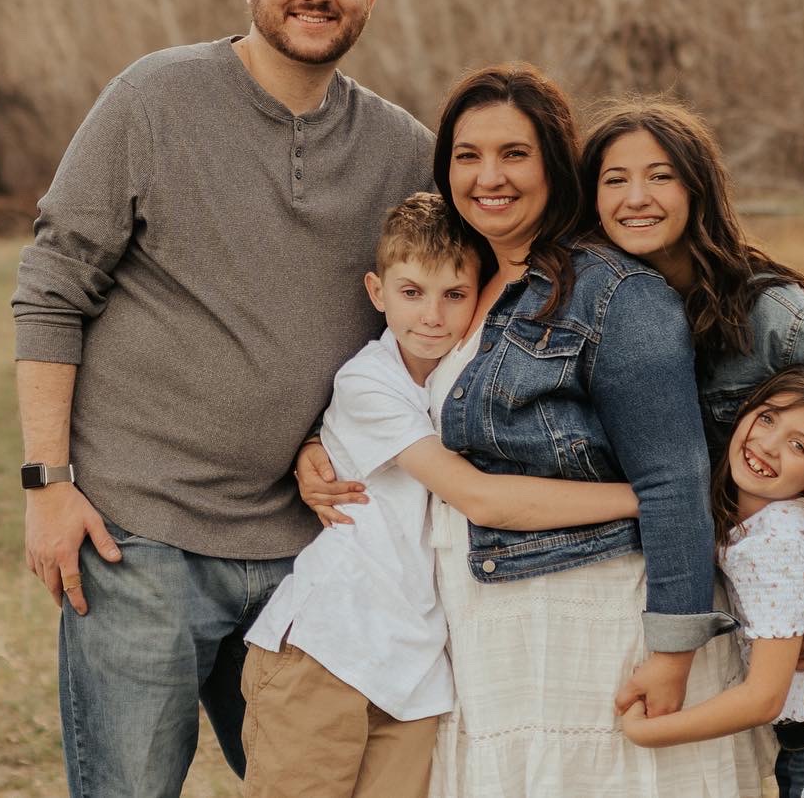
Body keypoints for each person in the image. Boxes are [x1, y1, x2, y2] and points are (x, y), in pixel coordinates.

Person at [10, 0, 435, 797]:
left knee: (316, 787)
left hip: (308, 546)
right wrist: (47, 485)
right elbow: (51, 287)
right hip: (139, 535)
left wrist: (325, 436)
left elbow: (433, 317)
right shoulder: (154, 99)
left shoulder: (403, 151)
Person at [306, 63, 769, 797]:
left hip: (598, 619)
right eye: (468, 155)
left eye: (514, 154)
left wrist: (672, 651)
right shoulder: (458, 281)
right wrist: (318, 450)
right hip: (486, 626)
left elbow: (674, 477)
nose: (489, 176)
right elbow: (399, 394)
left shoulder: (613, 292)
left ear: (554, 163)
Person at [240, 193, 639, 798]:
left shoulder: (468, 379)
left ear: (483, 296)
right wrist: (645, 497)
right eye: (411, 292)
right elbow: (480, 498)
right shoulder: (369, 381)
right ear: (377, 292)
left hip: (417, 672)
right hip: (329, 645)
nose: (431, 315)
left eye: (454, 295)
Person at [579, 97, 804, 709]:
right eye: (615, 180)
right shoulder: (603, 314)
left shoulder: (772, 314)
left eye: (660, 176)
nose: (636, 198)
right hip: (767, 579)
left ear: (697, 190)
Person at [621, 364, 804, 798]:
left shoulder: (776, 545)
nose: (767, 445)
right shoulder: (764, 521)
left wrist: (651, 733)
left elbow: (764, 698)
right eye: (767, 418)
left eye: (799, 445)